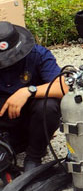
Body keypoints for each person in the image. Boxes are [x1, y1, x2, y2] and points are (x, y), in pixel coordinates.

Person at [0, 22, 67, 171]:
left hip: (32, 124)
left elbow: (63, 87)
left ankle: (34, 156)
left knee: (49, 104)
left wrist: (28, 91)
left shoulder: (37, 54)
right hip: (5, 124)